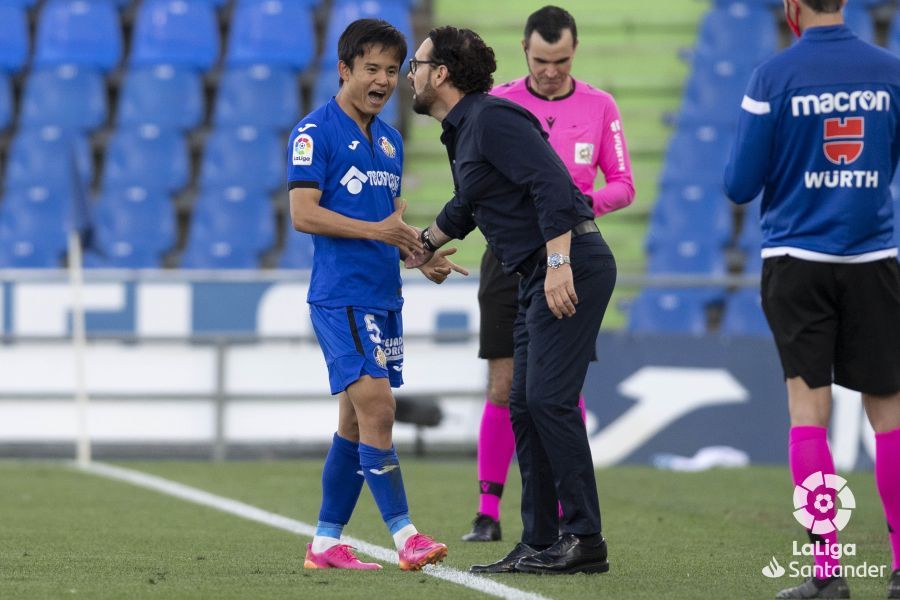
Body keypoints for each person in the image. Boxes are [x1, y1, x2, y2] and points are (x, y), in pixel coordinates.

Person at [405, 25, 617, 575]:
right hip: (531, 275)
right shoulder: (466, 127)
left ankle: (585, 539)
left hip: (573, 266)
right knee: (523, 405)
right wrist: (421, 245)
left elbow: (553, 184)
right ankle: (542, 539)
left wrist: (558, 263)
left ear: (442, 74)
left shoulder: (492, 117)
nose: (411, 74)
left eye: (418, 64)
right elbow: (468, 204)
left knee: (548, 400)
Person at [723, 1, 900, 597]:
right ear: (844, 2)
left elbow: (739, 185)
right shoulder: (891, 70)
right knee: (891, 418)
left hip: (797, 262)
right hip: (874, 260)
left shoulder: (773, 77)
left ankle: (828, 576)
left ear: (792, 6)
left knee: (808, 416)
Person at [287, 18, 464, 572]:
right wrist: (382, 234)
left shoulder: (389, 141)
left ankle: (325, 542)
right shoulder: (315, 132)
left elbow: (385, 224)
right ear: (345, 70)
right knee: (380, 409)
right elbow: (302, 214)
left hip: (383, 297)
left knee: (352, 422)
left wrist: (420, 254)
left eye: (392, 70)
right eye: (371, 69)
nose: (383, 80)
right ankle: (406, 535)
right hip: (340, 300)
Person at [462, 5, 635, 543]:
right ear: (524, 51)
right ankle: (487, 511)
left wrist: (574, 202)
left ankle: (566, 510)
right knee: (504, 384)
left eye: (560, 60)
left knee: (561, 386)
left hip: (569, 259)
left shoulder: (600, 106)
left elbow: (623, 184)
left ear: (574, 52)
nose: (551, 70)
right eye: (541, 59)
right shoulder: (499, 104)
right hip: (509, 258)